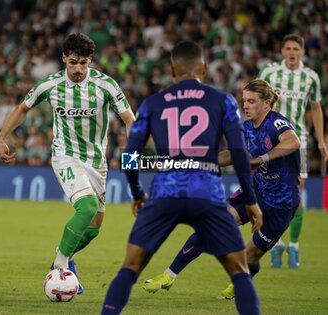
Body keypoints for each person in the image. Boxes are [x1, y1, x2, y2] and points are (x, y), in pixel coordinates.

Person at [101, 40, 262, 315]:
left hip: (165, 191)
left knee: (129, 268)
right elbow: (238, 152)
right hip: (207, 192)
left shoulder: (153, 103)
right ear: (205, 68)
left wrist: (138, 192)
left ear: (172, 70)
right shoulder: (222, 100)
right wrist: (250, 199)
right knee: (240, 271)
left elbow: (130, 154)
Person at [0, 33, 135, 294]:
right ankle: (59, 267)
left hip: (97, 161)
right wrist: (2, 137)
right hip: (65, 155)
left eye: (84, 63)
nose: (78, 69)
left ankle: (65, 257)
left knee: (92, 231)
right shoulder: (50, 85)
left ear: (90, 60)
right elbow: (23, 108)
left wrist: (134, 150)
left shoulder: (106, 85)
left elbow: (129, 119)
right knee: (87, 206)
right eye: (73, 63)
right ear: (63, 59)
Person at [142, 79, 301, 300]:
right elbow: (231, 155)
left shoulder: (276, 123)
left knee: (246, 258)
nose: (245, 105)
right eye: (244, 100)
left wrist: (261, 158)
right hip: (255, 190)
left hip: (280, 204)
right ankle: (169, 275)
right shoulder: (245, 127)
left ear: (266, 103)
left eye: (251, 101)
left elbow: (293, 142)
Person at [258, 34, 328, 268]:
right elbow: (254, 100)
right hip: (269, 139)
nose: (291, 52)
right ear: (281, 50)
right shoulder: (269, 72)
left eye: (296, 48)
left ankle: (294, 247)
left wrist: (321, 140)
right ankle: (275, 245)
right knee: (268, 193)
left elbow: (316, 108)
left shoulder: (311, 77)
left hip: (298, 141)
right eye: (288, 48)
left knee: (296, 196)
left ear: (302, 52)